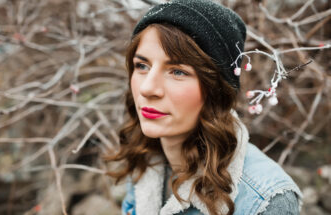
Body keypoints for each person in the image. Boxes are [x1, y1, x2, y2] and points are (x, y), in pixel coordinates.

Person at [105, 0, 303, 214]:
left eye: (178, 71)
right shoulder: (145, 162)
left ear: (215, 90)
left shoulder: (266, 200)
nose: (147, 88)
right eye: (142, 66)